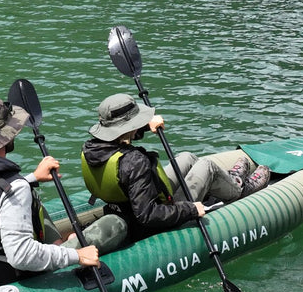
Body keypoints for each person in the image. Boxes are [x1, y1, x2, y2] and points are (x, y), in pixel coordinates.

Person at [0, 97, 105, 292]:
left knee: (35, 202)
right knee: (114, 225)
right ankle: (67, 244)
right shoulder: (15, 188)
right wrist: (76, 255)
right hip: (14, 277)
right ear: (8, 137)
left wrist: (32, 178)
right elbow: (20, 255)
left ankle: (59, 243)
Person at [79, 92, 271, 245]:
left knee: (187, 157)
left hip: (124, 204)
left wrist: (145, 126)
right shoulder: (135, 162)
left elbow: (118, 143)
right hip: (148, 221)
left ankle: (227, 181)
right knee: (208, 166)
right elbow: (148, 215)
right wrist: (190, 210)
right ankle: (239, 189)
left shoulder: (91, 148)